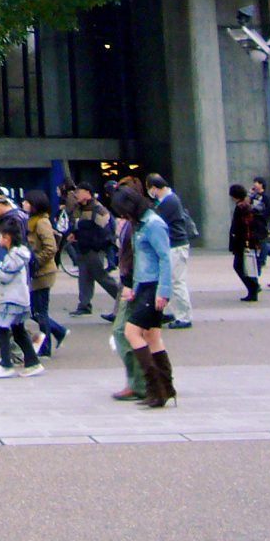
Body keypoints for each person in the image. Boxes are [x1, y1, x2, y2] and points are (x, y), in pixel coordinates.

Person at [122, 184, 178, 409]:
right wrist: (135, 287)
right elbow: (141, 261)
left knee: (131, 332)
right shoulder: (141, 225)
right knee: (152, 336)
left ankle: (155, 388)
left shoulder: (153, 224)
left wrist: (163, 291)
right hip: (144, 285)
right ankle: (166, 387)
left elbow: (165, 258)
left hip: (153, 285)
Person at [0, 213, 41, 379]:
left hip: (12, 298)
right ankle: (33, 362)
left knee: (1, 329)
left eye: (2, 236)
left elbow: (5, 274)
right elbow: (3, 261)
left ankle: (6, 364)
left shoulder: (17, 255)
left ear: (8, 238)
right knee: (18, 331)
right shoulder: (16, 252)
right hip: (18, 298)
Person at [106, 188, 149, 401]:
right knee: (128, 332)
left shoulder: (145, 225)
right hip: (130, 283)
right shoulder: (133, 224)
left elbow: (154, 258)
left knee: (125, 332)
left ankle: (141, 382)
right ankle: (144, 381)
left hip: (138, 285)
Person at [144, 175, 193, 328]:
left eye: (149, 188)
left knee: (176, 281)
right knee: (171, 280)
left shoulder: (169, 201)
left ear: (154, 187)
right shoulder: (168, 199)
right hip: (175, 244)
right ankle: (176, 312)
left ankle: (184, 317)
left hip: (176, 245)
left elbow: (156, 220)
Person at [24, 191, 68, 358]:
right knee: (37, 310)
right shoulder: (31, 221)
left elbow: (51, 247)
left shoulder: (42, 222)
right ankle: (58, 331)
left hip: (43, 272)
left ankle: (46, 346)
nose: (24, 204)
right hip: (36, 273)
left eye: (27, 202)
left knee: (39, 311)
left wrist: (37, 262)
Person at [67, 184, 118, 315]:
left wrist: (96, 245)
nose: (76, 194)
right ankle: (84, 305)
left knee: (102, 277)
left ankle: (123, 299)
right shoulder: (79, 209)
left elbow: (106, 231)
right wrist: (75, 234)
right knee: (84, 277)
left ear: (88, 193)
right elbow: (78, 226)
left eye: (79, 191)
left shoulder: (98, 209)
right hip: (83, 248)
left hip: (93, 250)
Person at [228, 184, 261, 302]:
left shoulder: (241, 207)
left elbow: (240, 226)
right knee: (248, 266)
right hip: (250, 241)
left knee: (240, 266)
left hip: (243, 242)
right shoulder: (247, 205)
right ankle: (253, 287)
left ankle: (253, 287)